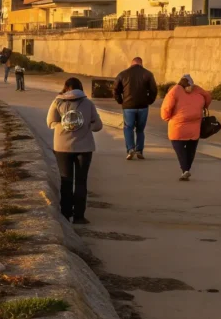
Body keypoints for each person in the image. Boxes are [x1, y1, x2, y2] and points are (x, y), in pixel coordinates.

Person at [47, 77, 103, 224]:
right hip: (84, 147)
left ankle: (65, 214)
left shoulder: (57, 102)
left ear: (66, 88)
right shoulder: (88, 103)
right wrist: (85, 127)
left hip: (62, 147)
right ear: (81, 88)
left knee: (66, 180)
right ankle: (79, 216)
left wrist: (64, 126)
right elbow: (98, 125)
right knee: (81, 181)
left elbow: (50, 123)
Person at [160, 74, 212, 181]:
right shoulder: (197, 90)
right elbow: (208, 97)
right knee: (191, 150)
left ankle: (185, 170)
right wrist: (204, 106)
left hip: (178, 126)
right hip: (194, 126)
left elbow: (166, 107)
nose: (190, 88)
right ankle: (186, 169)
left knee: (180, 150)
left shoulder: (175, 90)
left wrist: (166, 118)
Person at [112, 56, 159, 160]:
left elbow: (115, 89)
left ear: (131, 63)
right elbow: (154, 90)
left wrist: (120, 101)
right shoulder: (148, 74)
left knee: (128, 128)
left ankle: (130, 149)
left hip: (128, 106)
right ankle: (139, 150)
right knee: (140, 129)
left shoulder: (123, 74)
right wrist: (149, 101)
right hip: (143, 106)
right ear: (141, 63)